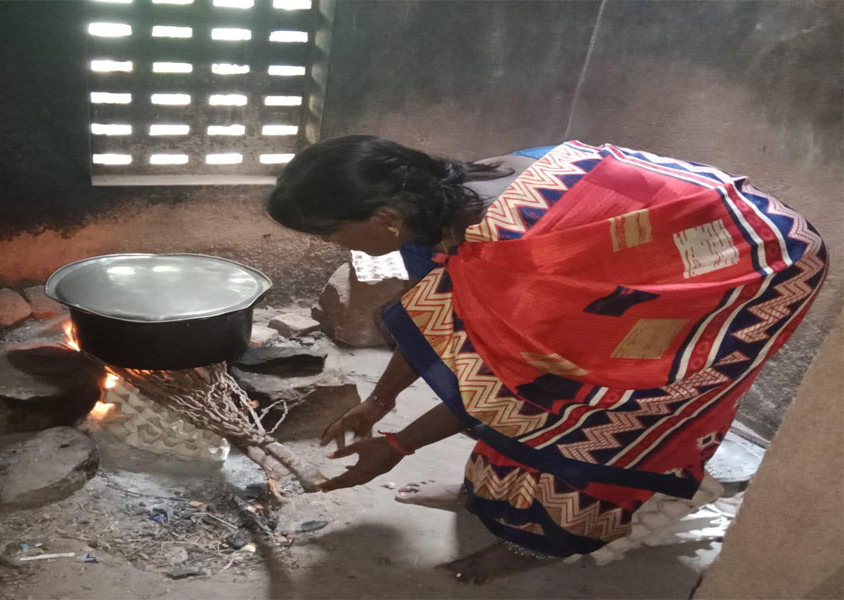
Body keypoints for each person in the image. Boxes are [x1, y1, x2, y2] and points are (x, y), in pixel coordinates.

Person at [266, 136, 828, 583]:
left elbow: (516, 386)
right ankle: (488, 496)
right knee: (518, 387)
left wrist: (396, 446)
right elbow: (447, 320)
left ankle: (539, 541)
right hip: (660, 242)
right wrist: (379, 402)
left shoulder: (525, 267)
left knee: (592, 409)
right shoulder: (437, 207)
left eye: (330, 233)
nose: (333, 246)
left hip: (747, 268)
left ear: (385, 215)